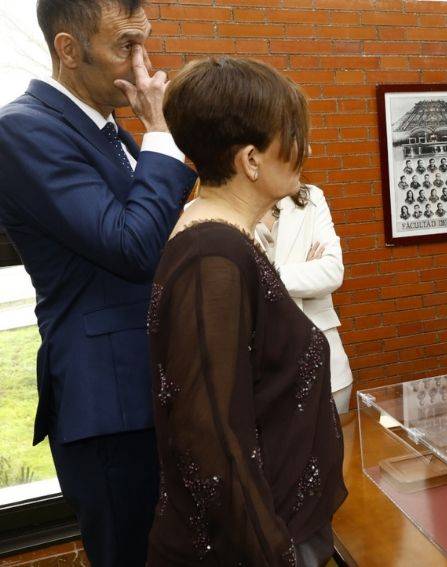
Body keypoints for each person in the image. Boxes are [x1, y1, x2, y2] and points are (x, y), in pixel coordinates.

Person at [0, 2, 196, 564]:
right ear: (68, 49)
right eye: (125, 47)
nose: (143, 65)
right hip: (107, 405)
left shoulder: (111, 135)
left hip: (148, 391)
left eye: (144, 43)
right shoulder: (24, 130)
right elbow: (131, 246)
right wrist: (159, 132)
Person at [150, 56, 346, 566]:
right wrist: (274, 552)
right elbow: (211, 438)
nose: (305, 150)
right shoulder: (213, 256)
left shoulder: (225, 242)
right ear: (251, 160)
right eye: (293, 136)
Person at [256, 184, 355, 412]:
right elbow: (238, 282)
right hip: (264, 373)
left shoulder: (310, 197)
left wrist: (268, 273)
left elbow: (332, 272)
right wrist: (304, 270)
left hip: (328, 371)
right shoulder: (221, 210)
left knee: (338, 446)